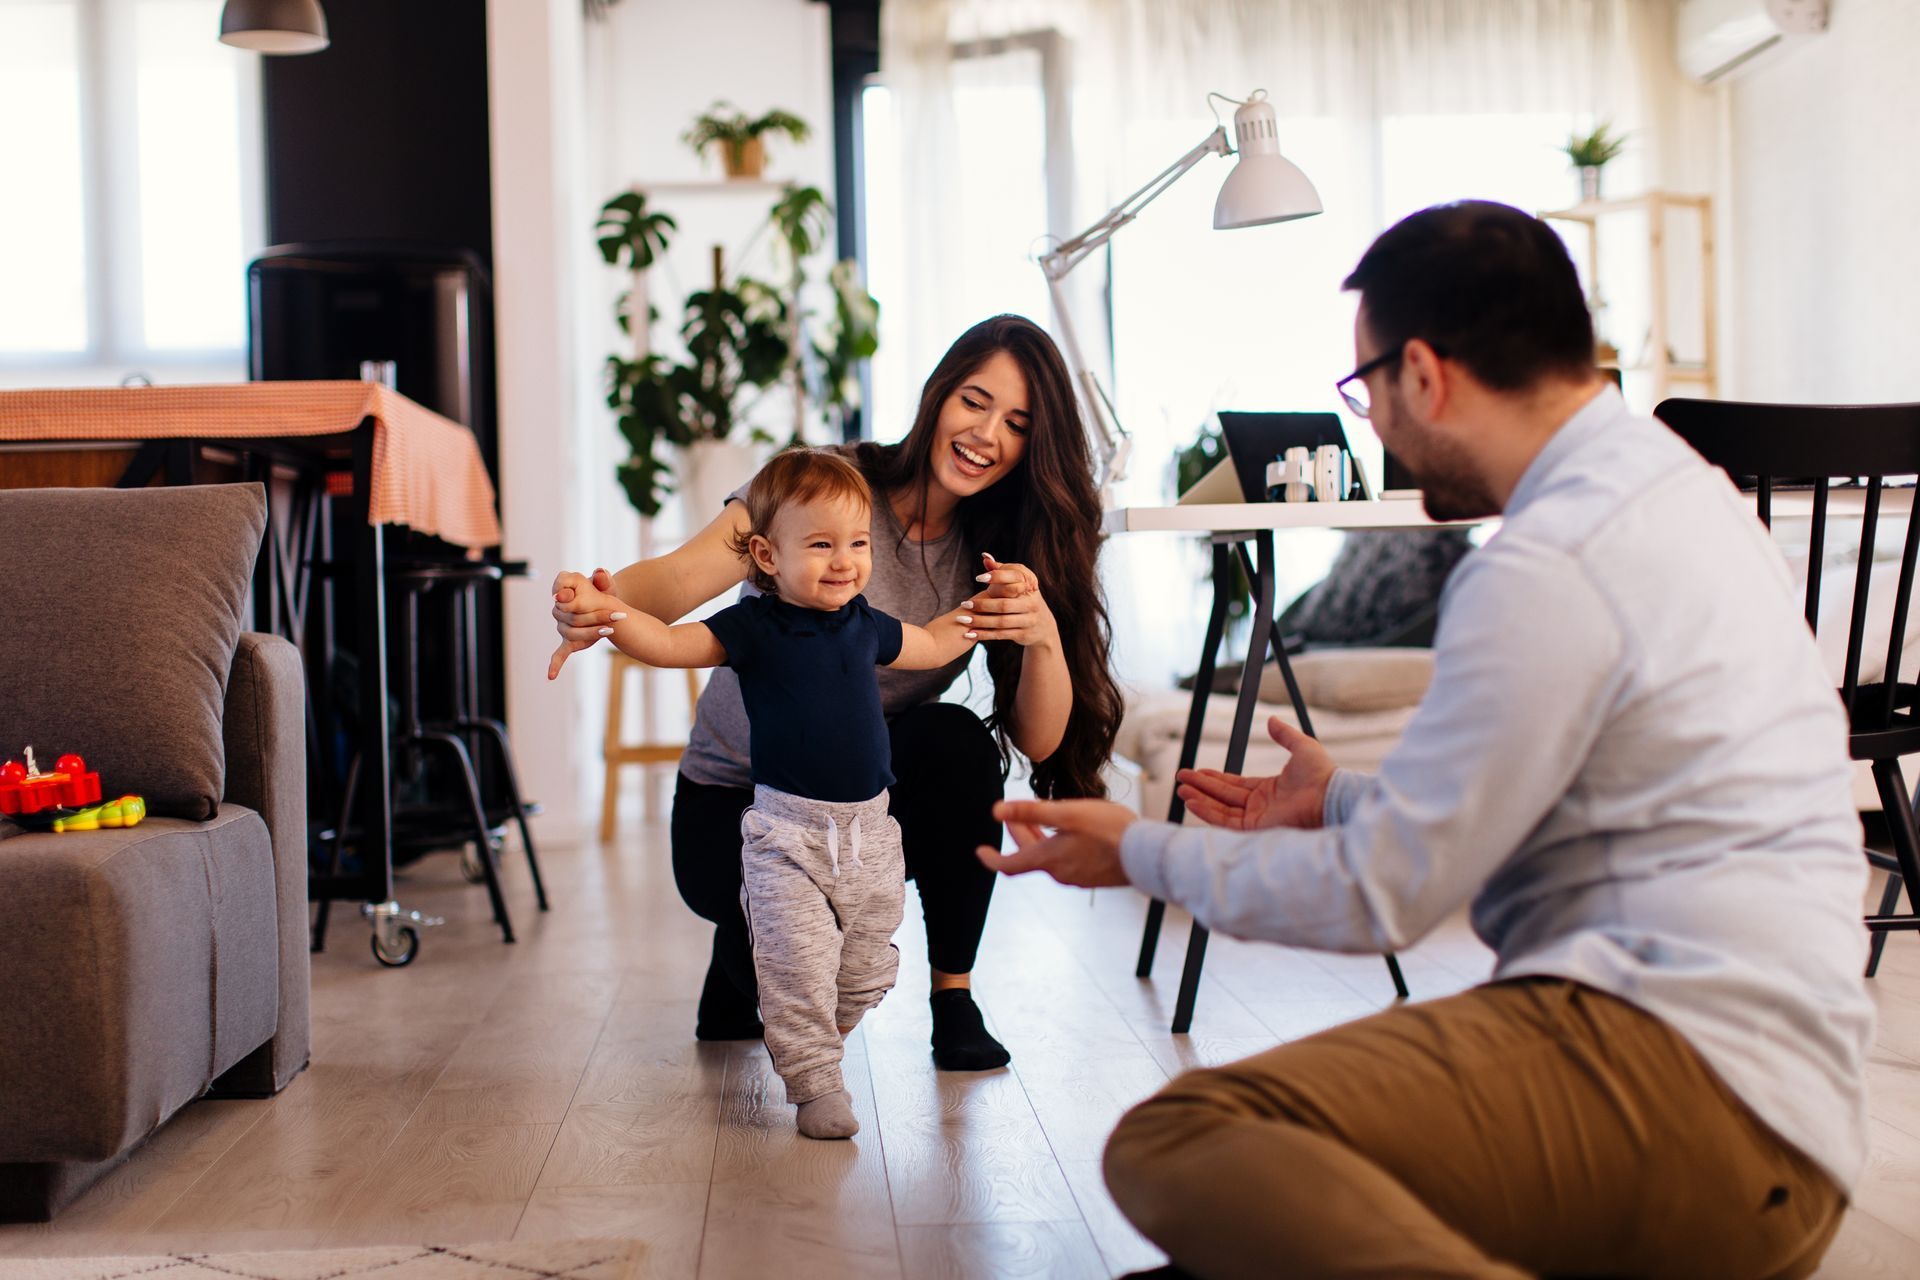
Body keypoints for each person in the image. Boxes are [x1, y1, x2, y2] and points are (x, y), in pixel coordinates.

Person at [978, 202, 1874, 1279]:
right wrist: (1341, 796)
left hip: (1692, 1083)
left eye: (1363, 392)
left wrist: (1135, 847)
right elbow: (1539, 792)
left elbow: (1380, 896)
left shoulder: (1550, 558)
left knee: (1185, 1136)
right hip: (1776, 1106)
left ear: (1425, 374)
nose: (1372, 427)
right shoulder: (1680, 495)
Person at [552, 314, 1124, 1071]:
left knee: (957, 745)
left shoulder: (1002, 546)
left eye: (1016, 424)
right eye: (975, 401)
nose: (986, 433)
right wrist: (602, 601)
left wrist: (1043, 634)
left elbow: (1041, 741)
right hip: (739, 804)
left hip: (858, 812)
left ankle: (953, 999)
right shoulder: (820, 485)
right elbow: (681, 579)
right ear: (939, 394)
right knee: (773, 983)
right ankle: (746, 949)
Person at [552, 449, 978, 1137]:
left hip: (871, 836)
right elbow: (663, 642)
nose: (844, 561)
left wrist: (978, 614)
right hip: (786, 838)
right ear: (767, 555)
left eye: (857, 544)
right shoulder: (753, 627)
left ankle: (814, 1037)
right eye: (820, 545)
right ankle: (815, 1084)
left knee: (866, 971)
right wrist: (607, 611)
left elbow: (929, 645)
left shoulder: (865, 622)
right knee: (797, 967)